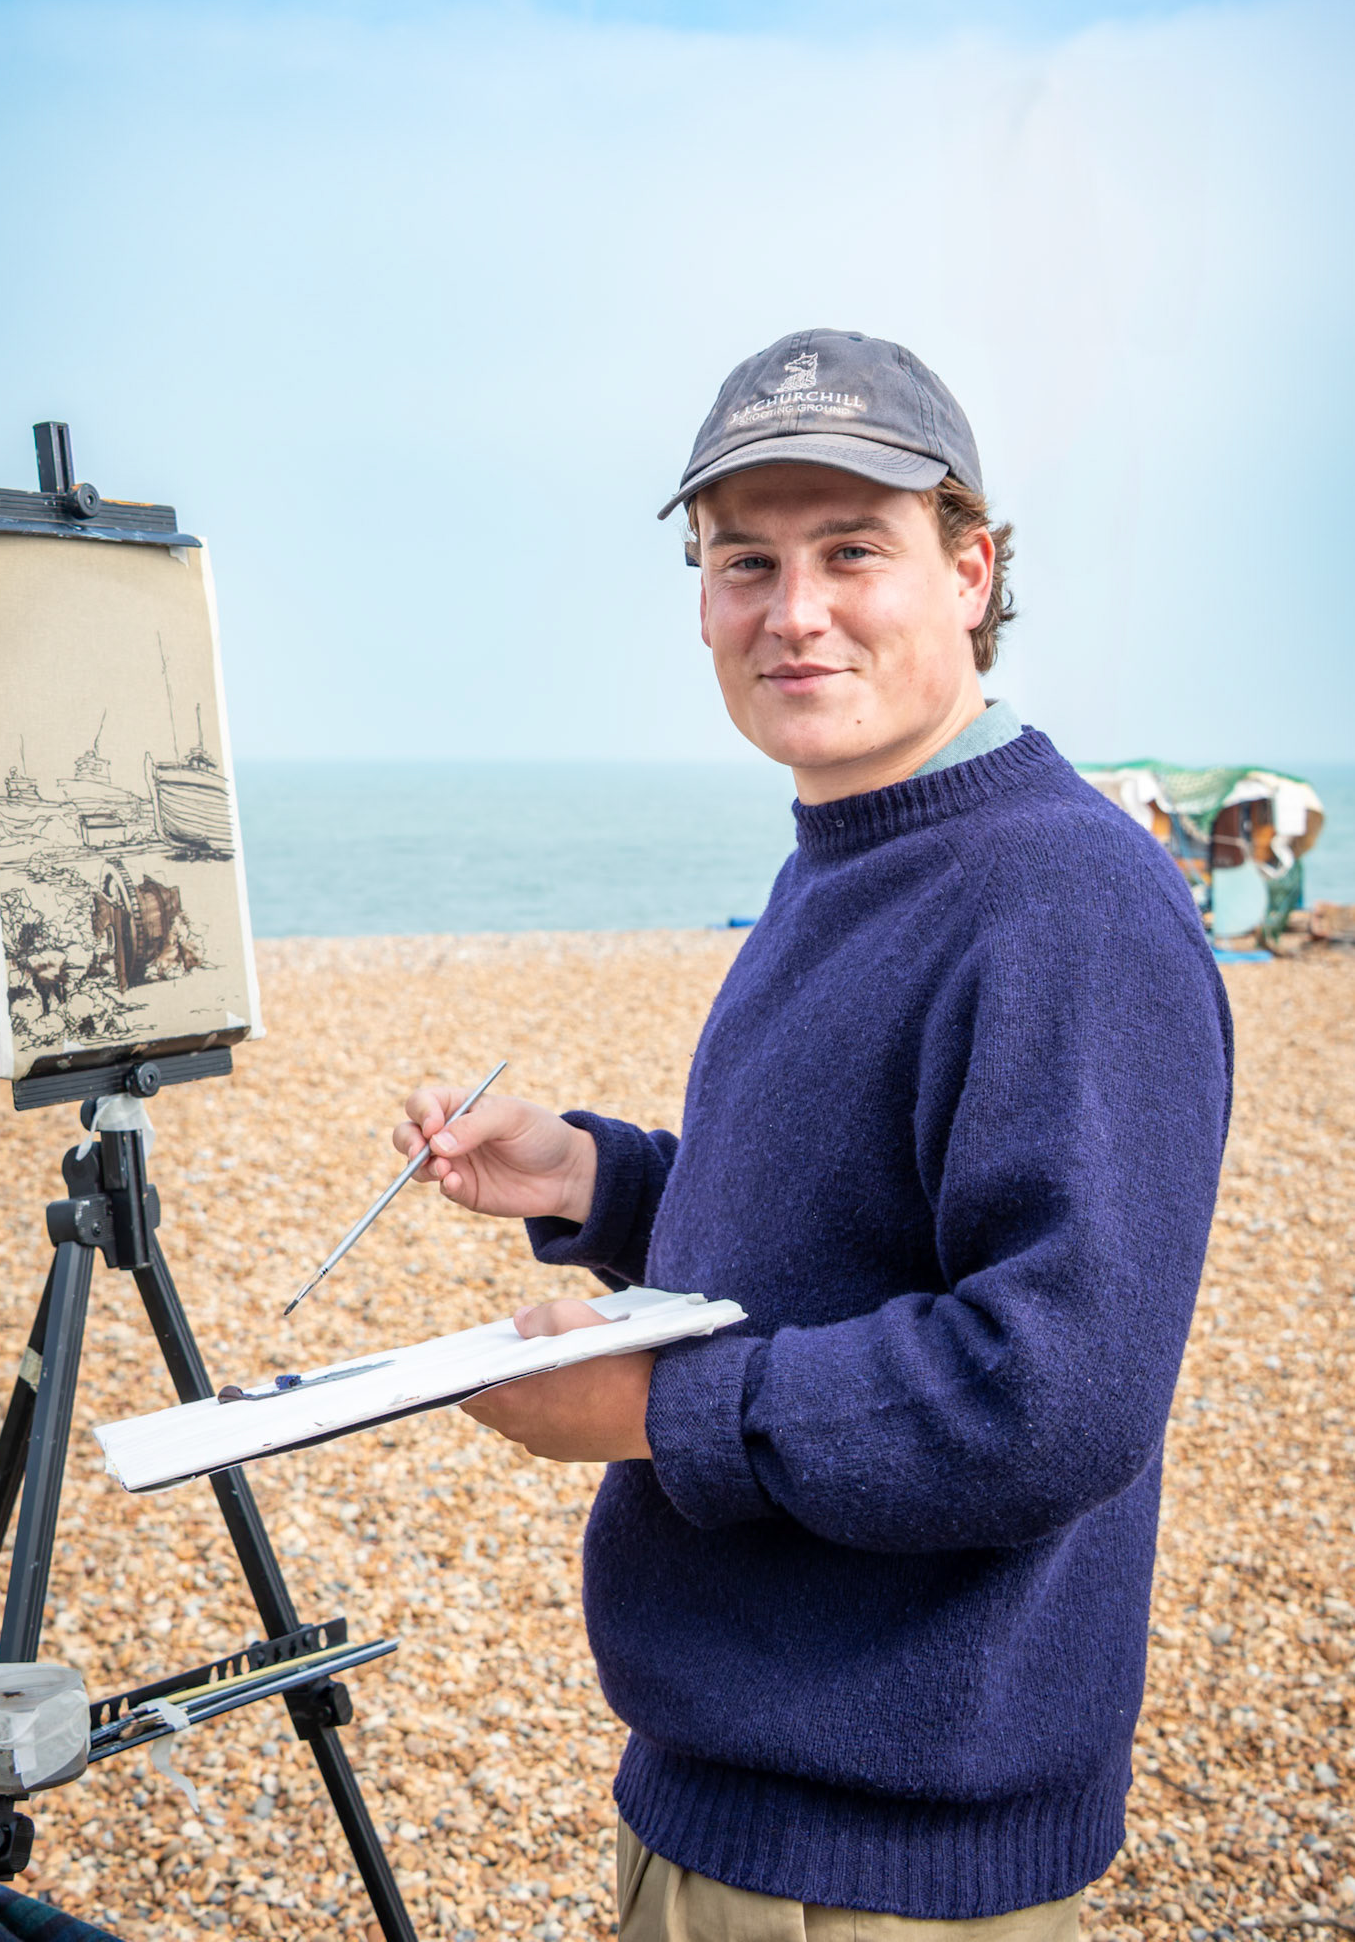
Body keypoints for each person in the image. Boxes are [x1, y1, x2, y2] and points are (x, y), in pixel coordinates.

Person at [392, 330, 1231, 1940]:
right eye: (743, 562)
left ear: (970, 569)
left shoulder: (1056, 899)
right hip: (730, 1804)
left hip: (869, 1870)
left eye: (854, 551)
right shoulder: (856, 849)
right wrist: (598, 1176)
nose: (792, 612)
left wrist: (656, 1410)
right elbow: (844, 1227)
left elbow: (1049, 1392)